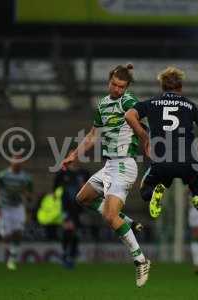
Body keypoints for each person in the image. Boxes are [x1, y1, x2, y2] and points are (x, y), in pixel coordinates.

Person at [61, 64, 150, 287]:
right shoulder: (102, 104)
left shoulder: (128, 101)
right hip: (110, 165)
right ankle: (128, 221)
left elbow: (138, 121)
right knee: (82, 198)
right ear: (109, 81)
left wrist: (144, 138)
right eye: (114, 84)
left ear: (127, 87)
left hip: (125, 165)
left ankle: (140, 260)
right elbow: (93, 135)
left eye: (121, 86)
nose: (117, 89)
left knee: (110, 217)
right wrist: (74, 155)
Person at [124, 66, 198, 227]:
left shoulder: (152, 103)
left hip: (161, 162)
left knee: (145, 189)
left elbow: (129, 115)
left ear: (162, 87)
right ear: (181, 87)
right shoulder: (190, 105)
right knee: (197, 183)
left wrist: (144, 136)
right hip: (187, 162)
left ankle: (154, 192)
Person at [0, 155, 33, 270]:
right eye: (15, 160)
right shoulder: (3, 175)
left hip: (18, 207)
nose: (17, 162)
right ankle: (9, 253)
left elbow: (30, 195)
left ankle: (12, 259)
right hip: (4, 207)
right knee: (6, 236)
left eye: (19, 160)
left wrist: (27, 195)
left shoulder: (26, 178)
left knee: (18, 232)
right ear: (11, 161)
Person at [53, 166, 89, 269]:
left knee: (74, 232)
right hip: (66, 207)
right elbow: (55, 187)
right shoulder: (63, 172)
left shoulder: (83, 172)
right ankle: (66, 254)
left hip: (78, 207)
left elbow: (90, 188)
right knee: (68, 229)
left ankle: (70, 255)